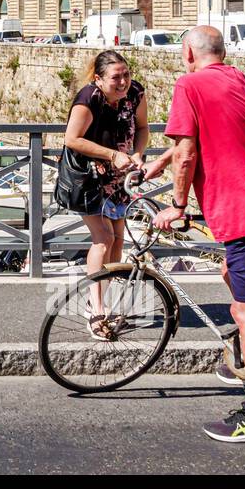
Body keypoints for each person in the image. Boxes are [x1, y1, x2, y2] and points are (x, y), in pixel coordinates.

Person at [141, 26, 245, 445]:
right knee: (232, 276)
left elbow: (189, 150)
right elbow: (204, 137)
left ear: (188, 53)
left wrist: (177, 207)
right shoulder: (234, 77)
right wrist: (161, 163)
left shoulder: (188, 83)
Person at [62, 49, 148, 339]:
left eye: (126, 74)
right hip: (90, 177)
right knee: (104, 238)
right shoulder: (89, 99)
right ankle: (95, 310)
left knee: (118, 240)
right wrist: (112, 154)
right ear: (98, 79)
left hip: (120, 176)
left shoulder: (135, 92)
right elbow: (72, 139)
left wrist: (137, 153)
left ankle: (99, 298)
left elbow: (144, 127)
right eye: (116, 77)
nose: (123, 81)